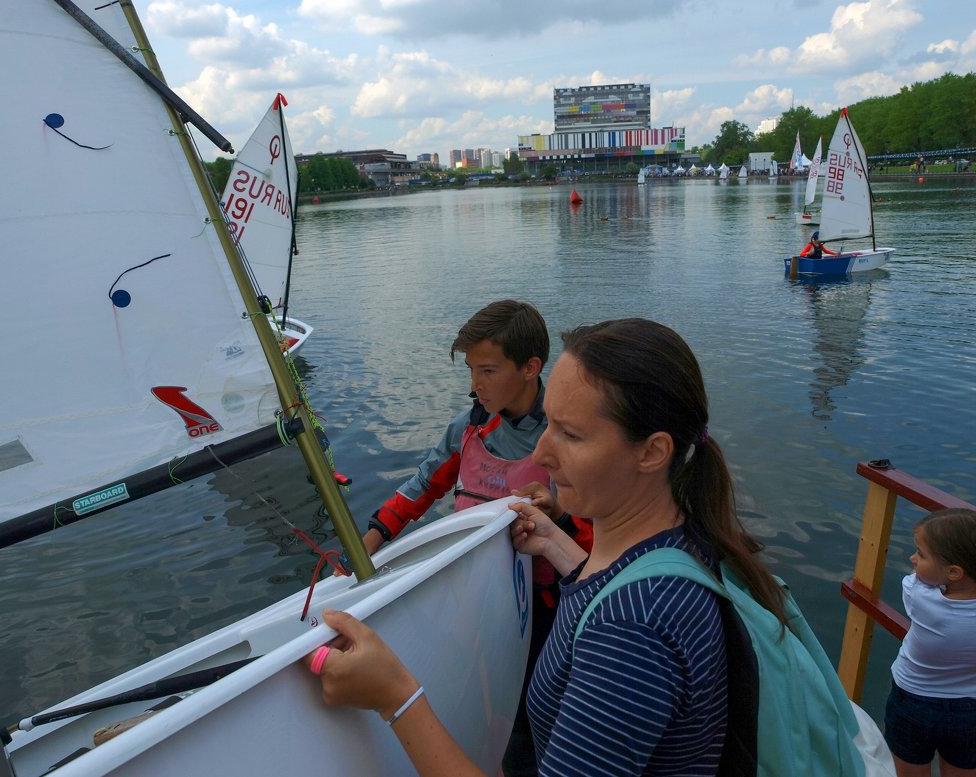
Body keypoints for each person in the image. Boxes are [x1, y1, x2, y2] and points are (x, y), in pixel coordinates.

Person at [305, 318, 789, 777]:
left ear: (652, 452)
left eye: (570, 435)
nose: (539, 454)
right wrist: (559, 546)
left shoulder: (630, 631)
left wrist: (396, 696)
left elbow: (631, 630)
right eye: (550, 424)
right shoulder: (690, 542)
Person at [359, 298, 591, 777]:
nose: (475, 385)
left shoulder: (565, 437)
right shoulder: (468, 430)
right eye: (470, 370)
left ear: (532, 368)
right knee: (493, 719)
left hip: (550, 614)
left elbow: (598, 540)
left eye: (487, 370)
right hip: (478, 609)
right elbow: (418, 490)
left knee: (536, 722)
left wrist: (560, 515)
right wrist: (365, 548)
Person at [884, 508, 976, 777]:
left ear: (953, 572)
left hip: (912, 702)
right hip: (970, 710)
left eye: (921, 554)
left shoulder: (918, 595)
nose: (913, 559)